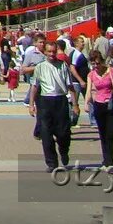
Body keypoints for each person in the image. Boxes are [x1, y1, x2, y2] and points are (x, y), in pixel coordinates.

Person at [28, 41, 72, 171]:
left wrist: (75, 104)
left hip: (60, 100)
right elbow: (34, 87)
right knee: (46, 133)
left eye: (54, 51)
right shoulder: (40, 67)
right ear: (45, 52)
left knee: (63, 133)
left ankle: (63, 151)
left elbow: (70, 86)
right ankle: (52, 163)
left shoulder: (63, 65)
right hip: (45, 101)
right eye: (49, 52)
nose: (52, 54)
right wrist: (31, 105)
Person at [85, 50, 113, 168]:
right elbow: (89, 90)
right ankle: (106, 159)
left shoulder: (111, 71)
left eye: (97, 63)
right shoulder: (91, 74)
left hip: (111, 105)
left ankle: (110, 162)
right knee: (102, 134)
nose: (96, 66)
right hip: (98, 105)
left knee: (110, 134)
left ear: (102, 61)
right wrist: (86, 103)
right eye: (93, 64)